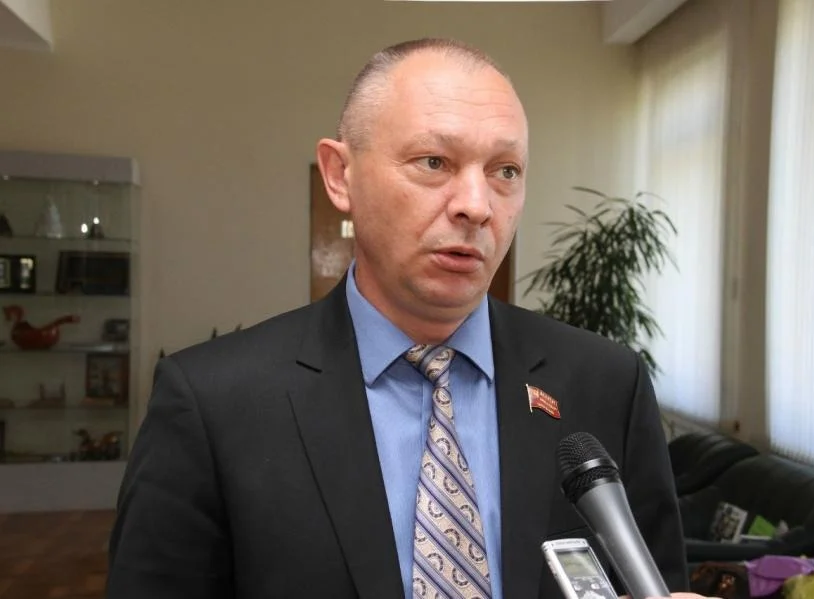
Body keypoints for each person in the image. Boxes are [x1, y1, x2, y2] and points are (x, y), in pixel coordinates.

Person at [106, 37, 711, 599]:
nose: (476, 205)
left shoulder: (605, 384)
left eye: (505, 171)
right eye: (433, 162)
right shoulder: (214, 404)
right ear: (340, 176)